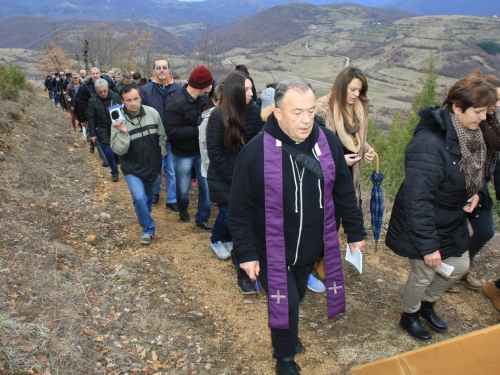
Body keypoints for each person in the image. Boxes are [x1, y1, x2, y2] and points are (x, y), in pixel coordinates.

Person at [228, 79, 365, 374]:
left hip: (312, 248)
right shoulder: (255, 154)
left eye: (310, 111)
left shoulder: (327, 142)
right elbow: (239, 210)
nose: (306, 120)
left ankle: (286, 334)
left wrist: (355, 231)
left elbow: (342, 190)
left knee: (297, 296)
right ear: (277, 114)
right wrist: (247, 254)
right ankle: (285, 357)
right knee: (286, 304)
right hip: (271, 249)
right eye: (297, 112)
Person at [385, 75, 497, 342]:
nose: (483, 118)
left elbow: (473, 172)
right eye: (478, 112)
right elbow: (417, 199)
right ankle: (409, 315)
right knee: (424, 272)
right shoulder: (429, 143)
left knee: (458, 266)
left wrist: (478, 193)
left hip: (452, 215)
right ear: (457, 107)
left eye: (486, 112)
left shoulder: (469, 134)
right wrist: (427, 245)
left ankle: (427, 304)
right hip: (425, 221)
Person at [315, 67, 375, 228]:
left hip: (350, 175)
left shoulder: (359, 107)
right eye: (353, 89)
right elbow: (312, 148)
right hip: (327, 178)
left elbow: (355, 139)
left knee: (345, 221)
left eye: (359, 90)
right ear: (342, 87)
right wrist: (339, 160)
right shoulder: (323, 109)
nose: (356, 94)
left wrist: (367, 149)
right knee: (327, 224)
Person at [111, 84, 167, 245]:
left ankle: (144, 215)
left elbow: (162, 136)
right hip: (131, 168)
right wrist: (123, 133)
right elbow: (118, 150)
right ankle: (148, 229)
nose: (133, 103)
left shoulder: (152, 113)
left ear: (140, 98)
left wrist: (160, 154)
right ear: (123, 102)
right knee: (139, 198)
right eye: (129, 100)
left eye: (136, 99)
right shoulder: (117, 121)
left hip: (152, 166)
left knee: (148, 198)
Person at [459, 72, 500, 290]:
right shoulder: (473, 124)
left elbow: (494, 160)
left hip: (481, 187)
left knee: (485, 231)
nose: (498, 105)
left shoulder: (492, 121)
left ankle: (463, 266)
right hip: (468, 185)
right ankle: (454, 270)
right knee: (458, 231)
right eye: (496, 100)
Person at [165, 65, 213, 230]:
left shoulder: (204, 99)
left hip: (202, 152)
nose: (211, 86)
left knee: (205, 186)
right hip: (183, 154)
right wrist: (196, 130)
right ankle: (183, 207)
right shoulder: (176, 103)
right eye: (209, 84)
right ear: (202, 85)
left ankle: (202, 219)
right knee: (183, 189)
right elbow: (171, 131)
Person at [140, 58, 182, 210]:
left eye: (164, 67)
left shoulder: (177, 89)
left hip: (172, 137)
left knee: (171, 170)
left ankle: (171, 199)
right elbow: (142, 113)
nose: (162, 70)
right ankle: (156, 191)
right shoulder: (146, 90)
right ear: (154, 70)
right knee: (156, 169)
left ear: (169, 70)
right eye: (158, 67)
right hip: (155, 137)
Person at [88, 78, 122, 182]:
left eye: (104, 91)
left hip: (117, 128)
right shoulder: (92, 101)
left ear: (107, 88)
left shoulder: (116, 97)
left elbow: (122, 111)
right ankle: (114, 172)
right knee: (108, 153)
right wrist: (92, 134)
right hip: (102, 130)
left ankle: (125, 168)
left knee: (120, 151)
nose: (103, 93)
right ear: (96, 91)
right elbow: (91, 118)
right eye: (100, 92)